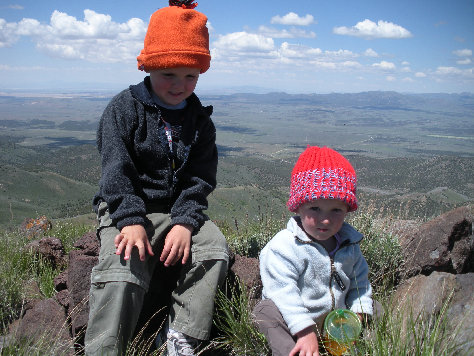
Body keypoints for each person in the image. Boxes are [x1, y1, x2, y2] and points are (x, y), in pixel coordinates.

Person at [84, 1, 229, 355]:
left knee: (212, 250)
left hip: (176, 210)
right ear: (149, 65)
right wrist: (130, 220)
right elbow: (115, 171)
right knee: (123, 265)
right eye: (169, 74)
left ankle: (181, 337)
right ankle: (105, 348)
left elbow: (199, 179)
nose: (180, 85)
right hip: (126, 207)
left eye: (191, 76)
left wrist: (184, 223)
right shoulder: (124, 109)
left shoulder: (199, 120)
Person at [253, 146, 373, 356]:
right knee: (265, 312)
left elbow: (360, 284)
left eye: (336, 210)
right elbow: (282, 292)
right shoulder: (284, 246)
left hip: (335, 324)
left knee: (374, 308)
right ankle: (294, 351)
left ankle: (355, 346)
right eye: (315, 208)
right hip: (294, 323)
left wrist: (357, 316)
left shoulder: (349, 245)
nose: (325, 219)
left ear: (347, 210)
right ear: (298, 207)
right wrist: (305, 330)